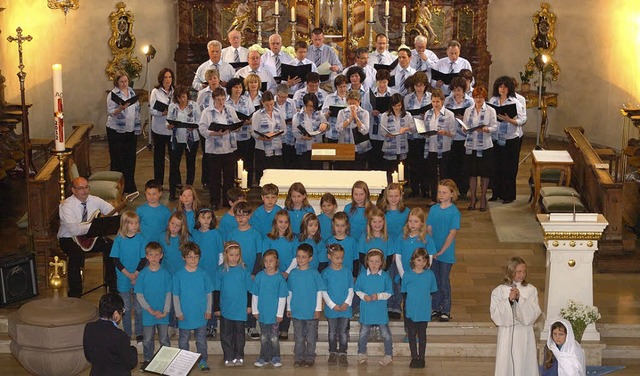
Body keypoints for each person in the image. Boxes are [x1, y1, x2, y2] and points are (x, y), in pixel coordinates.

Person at [57, 177, 117, 298]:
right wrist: (93, 226)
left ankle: (112, 286)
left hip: (91, 237)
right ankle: (75, 293)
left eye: (86, 187)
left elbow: (113, 212)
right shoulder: (66, 206)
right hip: (68, 237)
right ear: (73, 190)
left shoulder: (95, 200)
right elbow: (74, 229)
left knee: (111, 247)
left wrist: (102, 222)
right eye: (80, 188)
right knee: (76, 254)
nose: (85, 191)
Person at [490, 256, 541, 376]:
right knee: (506, 363)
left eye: (524, 271)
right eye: (518, 271)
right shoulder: (499, 291)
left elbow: (534, 313)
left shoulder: (531, 290)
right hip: (507, 333)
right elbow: (495, 315)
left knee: (524, 362)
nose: (522, 274)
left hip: (524, 333)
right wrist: (509, 301)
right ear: (511, 271)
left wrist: (520, 300)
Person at [173, 242, 214, 371]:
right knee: (183, 340)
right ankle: (184, 361)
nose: (193, 259)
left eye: (196, 256)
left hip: (200, 314)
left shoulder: (204, 274)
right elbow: (175, 295)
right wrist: (178, 312)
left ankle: (203, 361)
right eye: (190, 256)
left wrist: (208, 310)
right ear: (183, 257)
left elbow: (209, 294)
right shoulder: (178, 275)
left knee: (201, 340)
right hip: (184, 314)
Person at [199, 87, 241, 210]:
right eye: (218, 100)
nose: (221, 102)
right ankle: (214, 201)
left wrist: (236, 127)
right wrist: (215, 133)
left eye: (223, 99)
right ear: (213, 99)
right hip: (214, 151)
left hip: (229, 149)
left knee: (229, 177)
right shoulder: (207, 112)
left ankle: (227, 201)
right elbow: (202, 129)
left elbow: (237, 123)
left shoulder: (230, 110)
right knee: (214, 178)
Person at [225, 201, 263, 339]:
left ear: (250, 216)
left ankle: (251, 326)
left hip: (250, 273)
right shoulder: (231, 234)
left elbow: (259, 255)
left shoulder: (256, 234)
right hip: (235, 273)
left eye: (244, 215)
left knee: (250, 298)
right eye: (238, 215)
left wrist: (254, 272)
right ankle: (236, 324)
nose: (241, 218)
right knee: (238, 297)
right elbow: (226, 253)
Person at [488, 76, 527, 204]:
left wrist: (509, 120)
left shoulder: (515, 102)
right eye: (500, 86)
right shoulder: (493, 100)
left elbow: (522, 119)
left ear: (509, 88)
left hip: (511, 138)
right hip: (496, 137)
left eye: (505, 87)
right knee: (495, 166)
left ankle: (508, 195)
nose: (502, 89)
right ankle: (496, 193)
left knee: (509, 167)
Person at [214, 241, 254, 367]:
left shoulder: (244, 269)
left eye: (237, 255)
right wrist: (216, 307)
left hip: (240, 308)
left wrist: (248, 305)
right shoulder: (221, 270)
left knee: (239, 334)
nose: (234, 258)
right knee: (226, 334)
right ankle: (228, 356)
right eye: (231, 255)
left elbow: (249, 289)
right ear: (226, 255)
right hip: (226, 308)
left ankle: (239, 355)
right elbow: (216, 290)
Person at [109, 210, 147, 342]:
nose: (135, 225)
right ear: (125, 224)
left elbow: (143, 259)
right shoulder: (119, 239)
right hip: (124, 278)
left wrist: (135, 274)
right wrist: (128, 274)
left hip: (138, 277)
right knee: (126, 308)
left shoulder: (141, 239)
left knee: (138, 307)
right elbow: (116, 260)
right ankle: (127, 333)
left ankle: (140, 332)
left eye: (136, 223)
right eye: (131, 223)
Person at [287, 243, 326, 368]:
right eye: (298, 256)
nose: (300, 259)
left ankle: (310, 357)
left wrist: (318, 309)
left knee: (310, 337)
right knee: (298, 337)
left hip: (311, 312)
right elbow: (289, 292)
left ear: (310, 258)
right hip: (297, 311)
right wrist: (289, 307)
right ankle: (299, 357)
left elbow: (319, 291)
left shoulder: (314, 273)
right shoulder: (293, 273)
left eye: (304, 257)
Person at [135, 241, 172, 372]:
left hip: (163, 313)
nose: (154, 258)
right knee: (148, 339)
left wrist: (166, 310)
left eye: (157, 255)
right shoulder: (143, 275)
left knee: (164, 339)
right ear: (147, 256)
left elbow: (168, 293)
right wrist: (149, 310)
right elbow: (139, 295)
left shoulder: (166, 274)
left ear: (161, 256)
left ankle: (166, 362)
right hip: (148, 314)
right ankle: (148, 360)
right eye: (151, 255)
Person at [428, 179, 461, 322]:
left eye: (444, 192)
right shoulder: (433, 209)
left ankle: (445, 309)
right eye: (439, 192)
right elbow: (429, 229)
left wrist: (441, 250)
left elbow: (452, 233)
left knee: (443, 281)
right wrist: (431, 248)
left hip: (445, 253)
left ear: (452, 194)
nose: (441, 195)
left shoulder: (454, 212)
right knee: (434, 280)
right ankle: (435, 307)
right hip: (433, 251)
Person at [355, 248, 394, 366]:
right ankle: (361, 353)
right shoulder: (362, 276)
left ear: (382, 262)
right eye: (371, 261)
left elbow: (389, 292)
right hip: (367, 311)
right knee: (363, 333)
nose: (374, 264)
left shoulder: (385, 276)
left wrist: (379, 296)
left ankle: (388, 354)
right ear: (367, 261)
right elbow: (357, 289)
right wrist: (363, 296)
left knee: (386, 334)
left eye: (377, 261)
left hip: (380, 311)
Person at [83, 292, 138, 376]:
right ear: (115, 313)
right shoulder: (120, 336)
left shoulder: (89, 328)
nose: (122, 314)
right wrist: (133, 350)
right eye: (122, 311)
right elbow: (130, 363)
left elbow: (88, 356)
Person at [401, 248, 438, 369]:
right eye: (419, 260)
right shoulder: (407, 274)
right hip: (411, 309)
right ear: (413, 260)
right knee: (411, 334)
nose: (421, 263)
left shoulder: (430, 275)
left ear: (427, 262)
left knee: (422, 334)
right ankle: (414, 357)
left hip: (424, 310)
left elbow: (432, 291)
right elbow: (404, 292)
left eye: (424, 260)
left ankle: (421, 358)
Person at [263, 209, 297, 339]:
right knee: (274, 300)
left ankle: (284, 328)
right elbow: (266, 256)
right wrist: (274, 272)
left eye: (286, 222)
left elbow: (295, 257)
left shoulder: (293, 238)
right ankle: (273, 326)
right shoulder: (268, 238)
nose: (283, 225)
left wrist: (287, 272)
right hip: (273, 274)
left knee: (286, 300)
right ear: (275, 223)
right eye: (280, 222)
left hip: (288, 274)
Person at [462, 85, 497, 212]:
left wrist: (486, 129)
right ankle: (473, 198)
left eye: (481, 97)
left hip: (485, 146)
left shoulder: (490, 110)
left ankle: (482, 198)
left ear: (484, 98)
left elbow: (494, 127)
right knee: (472, 174)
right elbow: (464, 126)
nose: (478, 100)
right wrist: (464, 128)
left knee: (484, 174)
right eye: (476, 97)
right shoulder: (468, 110)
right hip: (471, 145)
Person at [251, 249, 288, 367]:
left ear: (276, 262)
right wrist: (255, 310)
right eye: (266, 261)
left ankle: (275, 357)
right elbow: (255, 295)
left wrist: (279, 314)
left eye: (271, 261)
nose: (268, 263)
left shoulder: (280, 278)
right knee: (263, 336)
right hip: (262, 313)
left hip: (274, 315)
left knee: (273, 338)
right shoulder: (259, 276)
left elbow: (282, 297)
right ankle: (264, 357)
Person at [106, 70, 140, 193]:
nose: (124, 84)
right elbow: (110, 112)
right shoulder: (113, 94)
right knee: (118, 159)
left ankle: (129, 185)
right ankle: (116, 187)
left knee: (130, 158)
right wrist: (120, 109)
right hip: (116, 131)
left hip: (130, 129)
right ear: (117, 82)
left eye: (126, 81)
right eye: (122, 82)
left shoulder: (131, 91)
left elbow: (136, 108)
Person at [192, 207, 223, 338]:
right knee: (200, 299)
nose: (206, 221)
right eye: (203, 218)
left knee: (211, 299)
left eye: (208, 218)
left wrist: (220, 268)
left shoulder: (216, 234)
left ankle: (212, 326)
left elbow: (220, 253)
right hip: (198, 271)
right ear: (198, 219)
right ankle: (201, 325)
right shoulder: (194, 234)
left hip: (212, 271)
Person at [422, 89, 457, 205]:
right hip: (432, 147)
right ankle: (434, 198)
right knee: (432, 174)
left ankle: (445, 198)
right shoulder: (428, 113)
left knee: (444, 174)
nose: (435, 104)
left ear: (442, 101)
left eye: (437, 102)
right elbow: (426, 129)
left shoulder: (449, 114)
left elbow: (453, 133)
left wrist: (445, 132)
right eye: (433, 102)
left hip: (444, 148)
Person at [321, 243, 354, 366]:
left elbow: (351, 289)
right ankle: (333, 352)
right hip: (332, 309)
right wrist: (331, 305)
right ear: (329, 256)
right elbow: (323, 291)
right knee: (332, 332)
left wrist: (346, 303)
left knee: (343, 332)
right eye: (337, 258)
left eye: (341, 257)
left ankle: (343, 353)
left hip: (345, 309)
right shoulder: (325, 273)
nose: (340, 260)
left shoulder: (346, 271)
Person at [167, 86, 201, 201]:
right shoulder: (173, 106)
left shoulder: (194, 106)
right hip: (177, 139)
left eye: (184, 97)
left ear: (187, 96)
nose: (182, 100)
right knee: (174, 165)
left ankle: (189, 189)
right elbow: (168, 121)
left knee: (190, 165)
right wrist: (170, 125)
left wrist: (193, 126)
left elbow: (199, 121)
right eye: (179, 97)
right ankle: (172, 191)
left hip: (191, 139)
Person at [445, 76, 474, 198]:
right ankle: (452, 190)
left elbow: (474, 120)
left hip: (464, 138)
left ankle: (463, 190)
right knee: (452, 166)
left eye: (459, 90)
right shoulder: (447, 101)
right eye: (455, 90)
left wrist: (464, 119)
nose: (457, 93)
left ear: (464, 90)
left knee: (464, 166)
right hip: (451, 138)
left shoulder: (470, 102)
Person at [404, 71, 432, 198]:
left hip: (426, 135)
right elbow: (405, 116)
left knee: (426, 164)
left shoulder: (431, 97)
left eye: (421, 85)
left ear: (425, 85)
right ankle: (415, 189)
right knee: (414, 163)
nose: (419, 88)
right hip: (412, 135)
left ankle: (426, 189)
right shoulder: (408, 98)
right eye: (416, 85)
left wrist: (426, 116)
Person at [251, 91, 287, 181]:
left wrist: (276, 134)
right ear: (262, 103)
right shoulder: (257, 115)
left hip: (276, 147)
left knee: (276, 174)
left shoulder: (278, 113)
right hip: (262, 149)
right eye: (267, 105)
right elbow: (253, 132)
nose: (270, 107)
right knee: (263, 174)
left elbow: (284, 129)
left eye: (271, 104)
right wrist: (262, 137)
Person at [149, 68, 175, 186]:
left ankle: (174, 182)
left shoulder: (175, 91)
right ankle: (158, 182)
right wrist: (162, 113)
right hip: (159, 128)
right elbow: (152, 110)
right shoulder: (156, 92)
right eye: (165, 77)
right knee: (159, 157)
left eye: (170, 77)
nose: (168, 80)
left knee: (174, 157)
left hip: (171, 129)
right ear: (161, 79)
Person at [380, 93, 414, 183]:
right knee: (390, 172)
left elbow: (413, 129)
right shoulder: (385, 115)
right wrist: (388, 134)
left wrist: (406, 128)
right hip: (390, 147)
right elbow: (382, 131)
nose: (397, 108)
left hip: (402, 147)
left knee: (401, 173)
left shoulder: (407, 115)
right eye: (395, 106)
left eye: (399, 105)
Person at [292, 93, 329, 169]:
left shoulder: (319, 114)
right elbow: (295, 132)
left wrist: (325, 125)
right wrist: (303, 137)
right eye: (310, 106)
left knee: (317, 171)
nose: (312, 108)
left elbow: (327, 127)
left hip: (316, 148)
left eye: (313, 106)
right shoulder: (297, 116)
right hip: (303, 148)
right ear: (305, 104)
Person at [336, 91, 371, 170]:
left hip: (360, 147)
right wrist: (350, 118)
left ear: (359, 102)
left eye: (354, 103)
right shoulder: (342, 112)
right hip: (345, 147)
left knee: (359, 170)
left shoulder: (365, 113)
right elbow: (338, 128)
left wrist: (356, 117)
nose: (352, 106)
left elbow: (365, 130)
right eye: (350, 103)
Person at [274, 83, 298, 167]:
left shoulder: (291, 102)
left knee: (288, 161)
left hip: (288, 135)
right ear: (276, 93)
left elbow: (295, 117)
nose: (283, 99)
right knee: (277, 162)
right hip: (276, 136)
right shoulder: (272, 102)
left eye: (285, 97)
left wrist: (292, 121)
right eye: (281, 97)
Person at [322, 74, 348, 144]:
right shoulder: (329, 97)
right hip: (333, 131)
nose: (343, 89)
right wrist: (329, 113)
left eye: (344, 86)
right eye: (340, 87)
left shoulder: (350, 97)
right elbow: (323, 116)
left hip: (347, 132)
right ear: (336, 87)